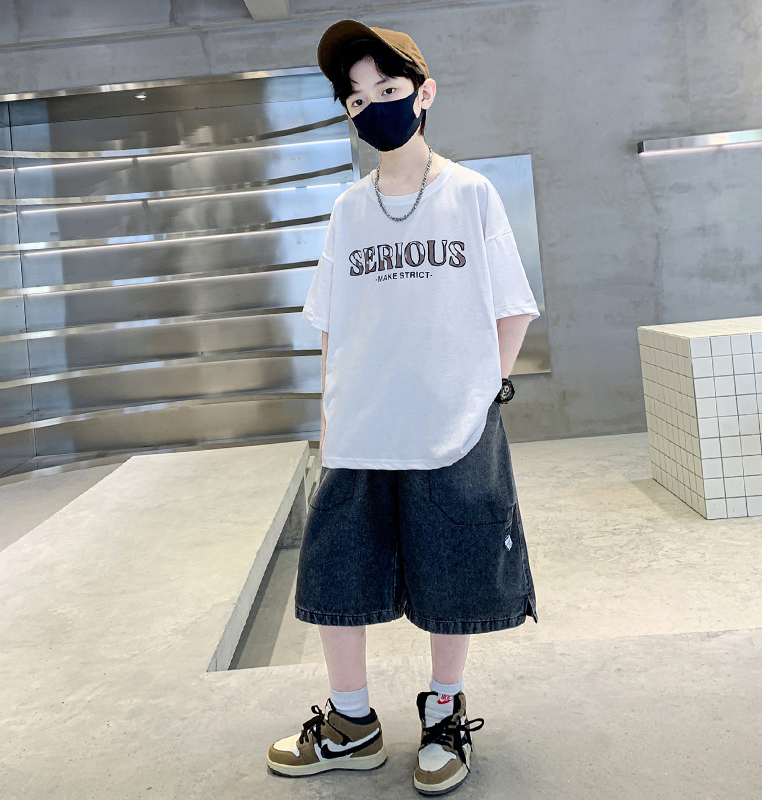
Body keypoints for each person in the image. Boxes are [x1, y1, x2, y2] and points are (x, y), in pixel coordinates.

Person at [266, 18, 540, 796]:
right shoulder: (348, 210)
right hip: (361, 428)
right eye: (356, 99)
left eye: (387, 89)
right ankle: (351, 722)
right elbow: (331, 324)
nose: (373, 106)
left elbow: (512, 310)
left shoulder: (470, 194)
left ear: (424, 93)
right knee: (338, 572)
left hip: (452, 427)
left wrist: (478, 396)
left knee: (454, 569)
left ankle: (444, 713)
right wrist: (330, 414)